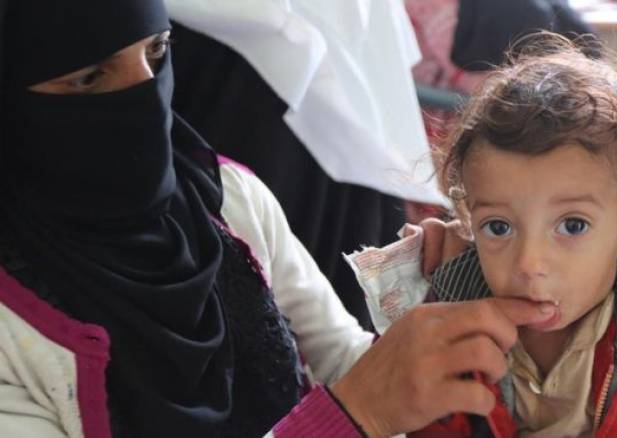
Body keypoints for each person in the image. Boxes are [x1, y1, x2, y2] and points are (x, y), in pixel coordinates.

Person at [0, 2, 560, 437]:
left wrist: (441, 312)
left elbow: (342, 357)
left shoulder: (226, 200)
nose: (145, 97)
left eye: (157, 51)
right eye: (89, 78)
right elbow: (359, 399)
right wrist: (356, 413)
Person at [353, 34, 617, 437]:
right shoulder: (450, 312)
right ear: (468, 220)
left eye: (573, 225)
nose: (529, 263)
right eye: (498, 227)